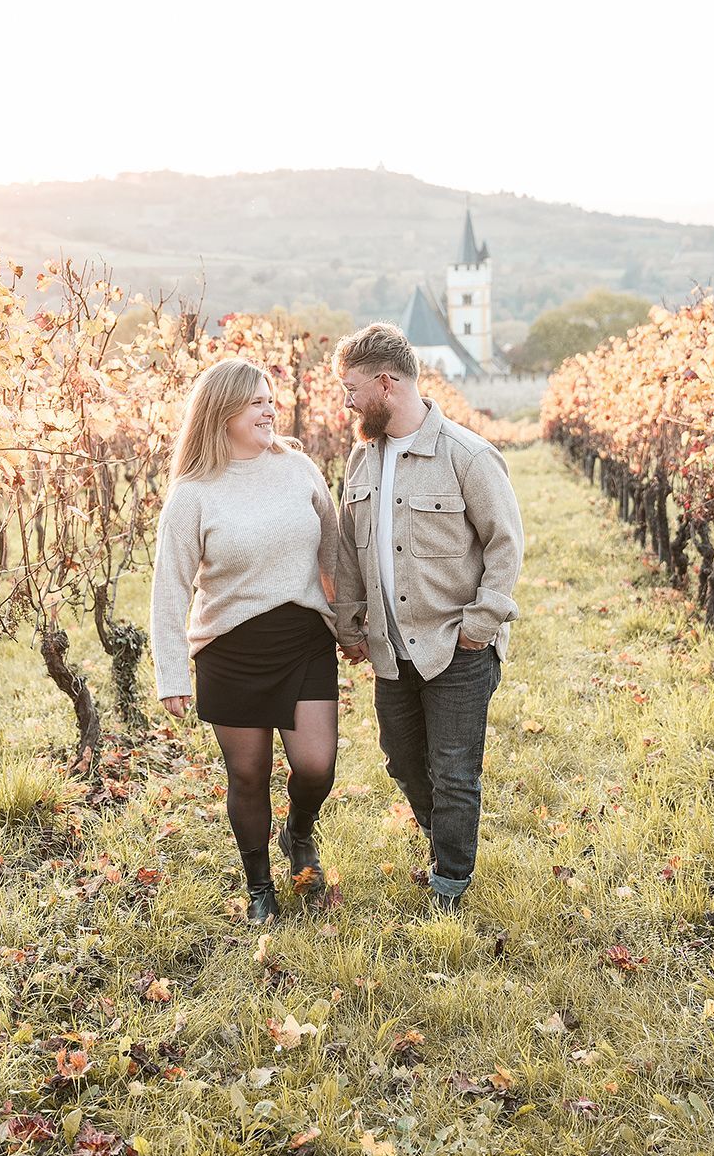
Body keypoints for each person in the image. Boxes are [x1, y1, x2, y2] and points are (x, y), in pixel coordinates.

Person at [331, 323, 523, 913]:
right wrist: (349, 624)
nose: (347, 402)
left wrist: (479, 627)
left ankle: (450, 884)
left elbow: (506, 546)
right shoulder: (361, 460)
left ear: (386, 384)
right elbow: (348, 551)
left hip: (455, 645)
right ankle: (443, 844)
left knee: (454, 769)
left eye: (353, 389)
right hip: (390, 648)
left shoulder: (468, 455)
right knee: (403, 760)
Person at [151, 358, 342, 924]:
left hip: (303, 637)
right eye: (256, 402)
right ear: (223, 412)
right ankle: (260, 887)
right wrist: (171, 673)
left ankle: (298, 832)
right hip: (229, 648)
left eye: (269, 400)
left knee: (316, 765)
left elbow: (333, 552)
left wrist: (350, 623)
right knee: (249, 774)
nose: (269, 410)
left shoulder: (298, 468)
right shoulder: (192, 493)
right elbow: (170, 587)